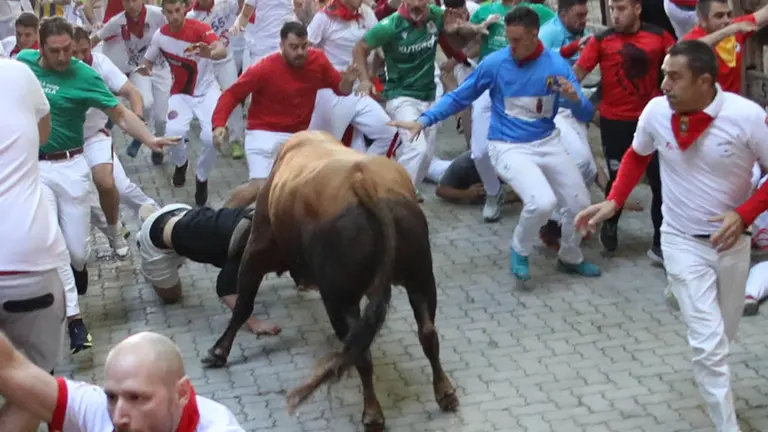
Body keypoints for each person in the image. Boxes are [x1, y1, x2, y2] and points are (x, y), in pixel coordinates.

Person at [575, 40, 768, 432]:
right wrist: (613, 201)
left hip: (733, 244)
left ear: (705, 81)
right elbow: (637, 155)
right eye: (664, 74)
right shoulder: (655, 112)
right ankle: (727, 425)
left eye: (674, 77)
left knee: (724, 335)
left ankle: (701, 335)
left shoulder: (747, 117)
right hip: (680, 241)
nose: (664, 84)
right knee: (709, 346)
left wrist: (744, 213)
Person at [390, 6, 601, 285]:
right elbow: (460, 97)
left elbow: (585, 114)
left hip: (548, 141)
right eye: (508, 40)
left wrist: (575, 99)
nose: (510, 47)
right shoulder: (495, 64)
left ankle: (570, 256)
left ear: (534, 35)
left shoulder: (557, 67)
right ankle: (519, 249)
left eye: (516, 40)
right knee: (542, 202)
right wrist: (425, 120)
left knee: (580, 203)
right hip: (507, 145)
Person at [18, 16, 178, 354]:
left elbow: (120, 114)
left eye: (67, 51)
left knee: (77, 251)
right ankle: (75, 322)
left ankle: (78, 270)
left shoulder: (85, 74)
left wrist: (149, 139)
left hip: (72, 166)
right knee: (53, 242)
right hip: (38, 169)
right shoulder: (24, 63)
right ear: (40, 48)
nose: (63, 57)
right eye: (55, 51)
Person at [353, 0, 493, 198]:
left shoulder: (436, 15)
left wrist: (468, 29)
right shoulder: (389, 26)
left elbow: (459, 43)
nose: (418, 7)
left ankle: (407, 191)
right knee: (416, 150)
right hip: (401, 96)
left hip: (429, 94)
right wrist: (365, 80)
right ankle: (395, 199)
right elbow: (360, 47)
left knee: (426, 156)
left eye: (422, 3)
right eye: (413, 3)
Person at [212, 21, 359, 208]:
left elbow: (341, 90)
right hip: (262, 133)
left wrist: (347, 81)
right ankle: (218, 219)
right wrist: (219, 124)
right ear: (281, 46)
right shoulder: (264, 67)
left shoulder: (318, 60)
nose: (300, 52)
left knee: (305, 187)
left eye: (304, 46)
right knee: (260, 188)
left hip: (297, 137)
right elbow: (232, 94)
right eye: (294, 47)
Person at [574, 0, 676, 262]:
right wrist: (586, 109)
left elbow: (680, 67)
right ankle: (610, 221)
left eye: (621, 9)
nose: (615, 15)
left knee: (660, 182)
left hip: (652, 122)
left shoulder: (659, 36)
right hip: (615, 123)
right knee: (618, 178)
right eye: (612, 9)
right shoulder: (601, 41)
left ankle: (659, 242)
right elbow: (575, 77)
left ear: (637, 8)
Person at [0, 56, 69, 432]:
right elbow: (43, 134)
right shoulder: (16, 73)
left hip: (25, 261)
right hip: (24, 261)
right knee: (33, 386)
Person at [0, 330, 246, 431]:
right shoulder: (98, 410)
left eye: (137, 397)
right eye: (112, 396)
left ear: (182, 393)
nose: (118, 417)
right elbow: (10, 367)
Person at [465, 0, 555, 222]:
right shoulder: (484, 10)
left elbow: (555, 32)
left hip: (522, 85)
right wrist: (474, 29)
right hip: (489, 83)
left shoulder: (536, 12)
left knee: (532, 143)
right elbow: (466, 43)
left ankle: (537, 194)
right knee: (479, 151)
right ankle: (494, 193)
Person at [71, 26, 159, 245]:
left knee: (118, 185)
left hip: (94, 136)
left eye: (85, 51)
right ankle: (112, 228)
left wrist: (137, 117)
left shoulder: (100, 63)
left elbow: (131, 91)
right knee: (73, 194)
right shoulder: (54, 69)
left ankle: (159, 216)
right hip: (63, 144)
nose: (81, 57)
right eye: (75, 53)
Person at [136, 203, 282, 335]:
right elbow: (225, 291)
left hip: (178, 211)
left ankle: (151, 214)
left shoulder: (259, 216)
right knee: (171, 297)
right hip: (156, 243)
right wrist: (254, 323)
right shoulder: (245, 250)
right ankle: (142, 235)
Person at [138, 0, 228, 207]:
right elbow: (147, 60)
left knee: (210, 138)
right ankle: (181, 163)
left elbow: (220, 49)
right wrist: (144, 69)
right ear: (164, 13)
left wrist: (211, 53)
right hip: (180, 93)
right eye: (169, 12)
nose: (174, 16)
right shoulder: (161, 36)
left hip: (207, 92)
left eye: (178, 10)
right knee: (173, 134)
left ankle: (202, 178)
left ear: (185, 9)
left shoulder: (200, 29)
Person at [306, 0, 400, 157]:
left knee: (389, 133)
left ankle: (361, 171)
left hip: (358, 90)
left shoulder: (367, 13)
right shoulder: (323, 18)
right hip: (331, 92)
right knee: (322, 149)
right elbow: (306, 52)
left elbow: (379, 43)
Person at [91, 0, 173, 165]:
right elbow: (95, 39)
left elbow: (175, 28)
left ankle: (159, 144)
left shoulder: (157, 14)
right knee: (146, 103)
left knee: (161, 118)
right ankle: (140, 133)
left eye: (134, 0)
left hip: (160, 69)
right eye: (126, 1)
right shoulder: (118, 21)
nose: (130, 5)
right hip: (139, 70)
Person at [186, 0, 246, 159]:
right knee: (206, 100)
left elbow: (242, 5)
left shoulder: (225, 4)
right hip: (204, 64)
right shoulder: (191, 16)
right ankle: (213, 134)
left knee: (233, 96)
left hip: (226, 59)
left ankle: (236, 140)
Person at [682, 0, 768, 94]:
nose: (726, 20)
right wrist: (729, 30)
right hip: (706, 105)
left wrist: (733, 28)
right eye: (719, 16)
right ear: (703, 20)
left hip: (732, 102)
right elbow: (691, 48)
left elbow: (764, 14)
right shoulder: (693, 38)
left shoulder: (735, 26)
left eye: (729, 14)